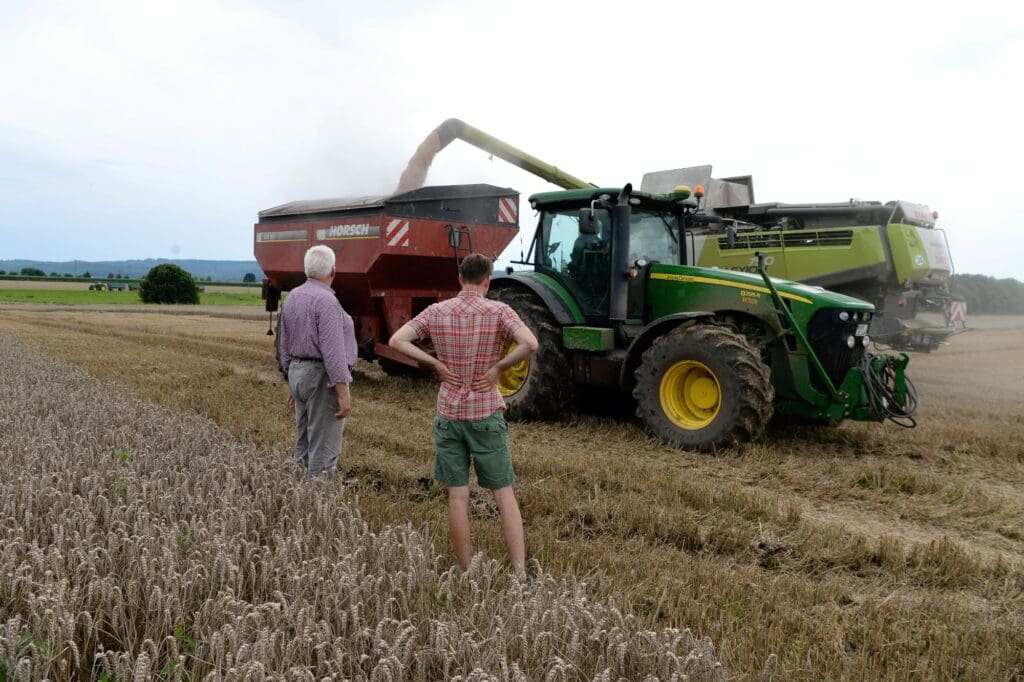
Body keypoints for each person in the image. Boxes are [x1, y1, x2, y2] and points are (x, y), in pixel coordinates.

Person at [389, 253, 538, 580]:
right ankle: (520, 573)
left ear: (459, 278)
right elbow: (530, 343)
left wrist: (435, 365)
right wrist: (499, 367)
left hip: (450, 415)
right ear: (488, 280)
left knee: (457, 496)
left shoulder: (437, 312)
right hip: (485, 413)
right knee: (504, 494)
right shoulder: (499, 311)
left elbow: (397, 340)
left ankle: (465, 570)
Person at [278, 245, 357, 481]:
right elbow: (333, 352)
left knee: (303, 445)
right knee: (323, 452)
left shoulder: (292, 296)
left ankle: (297, 498)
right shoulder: (327, 302)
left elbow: (284, 343)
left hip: (298, 373)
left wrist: (293, 381)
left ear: (306, 270)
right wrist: (342, 391)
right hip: (321, 378)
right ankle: (317, 508)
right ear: (333, 270)